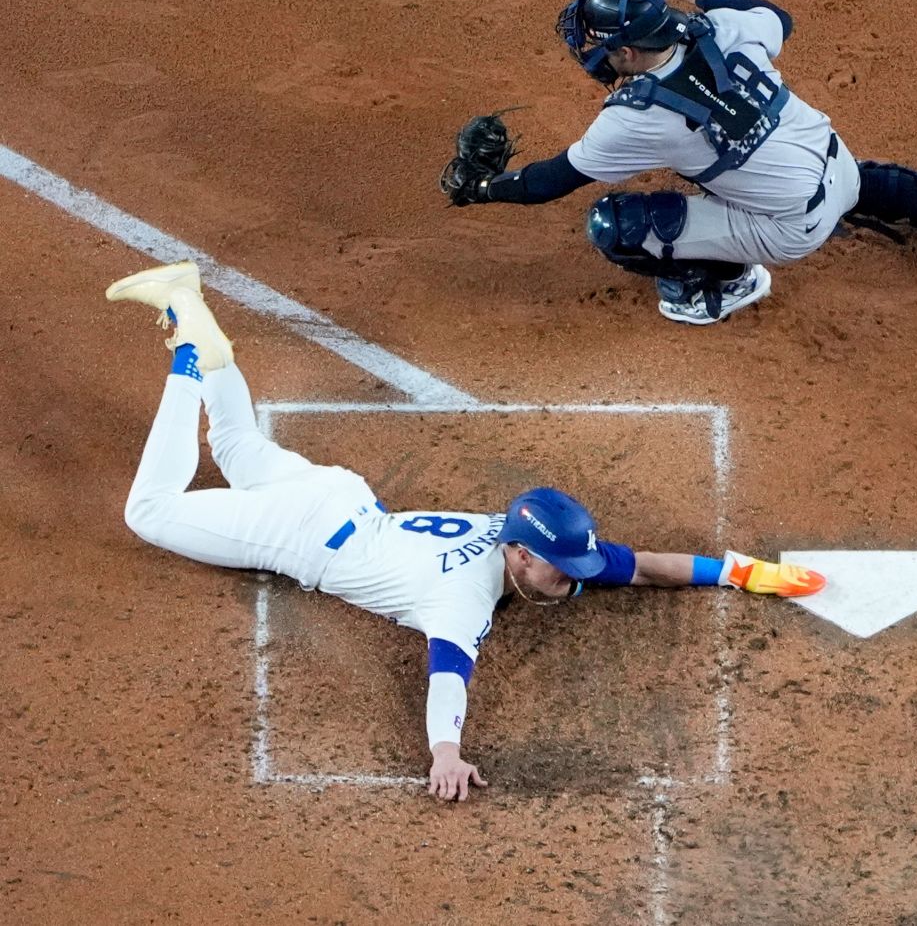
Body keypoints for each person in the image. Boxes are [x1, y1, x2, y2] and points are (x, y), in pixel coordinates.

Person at [105, 260, 827, 801]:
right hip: (299, 529)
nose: (570, 578)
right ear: (518, 554)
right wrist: (444, 754)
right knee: (152, 511)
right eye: (557, 570)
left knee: (233, 447)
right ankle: (190, 349)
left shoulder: (532, 544)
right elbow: (448, 677)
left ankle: (189, 298)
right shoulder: (465, 598)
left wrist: (745, 572)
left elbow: (640, 567)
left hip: (335, 499)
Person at [439, 0, 917, 325]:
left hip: (790, 229)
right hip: (834, 163)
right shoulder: (721, 29)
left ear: (627, 50)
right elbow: (777, 16)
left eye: (601, 44)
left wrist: (483, 188)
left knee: (615, 225)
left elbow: (553, 180)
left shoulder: (633, 120)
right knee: (859, 181)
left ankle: (727, 285)